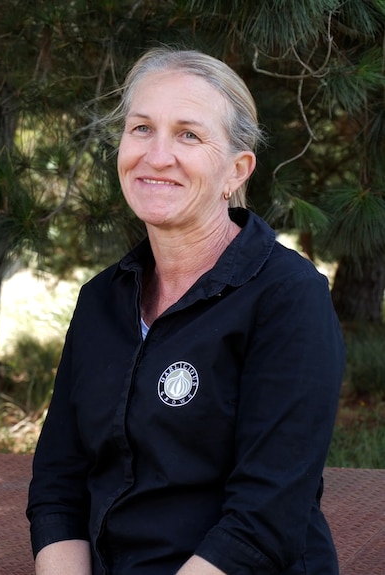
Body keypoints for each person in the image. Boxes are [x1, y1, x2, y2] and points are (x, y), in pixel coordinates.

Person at [26, 48, 345, 575]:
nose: (156, 155)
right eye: (142, 128)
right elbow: (58, 487)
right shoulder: (100, 300)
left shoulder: (288, 297)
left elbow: (262, 523)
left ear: (236, 170)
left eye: (189, 135)